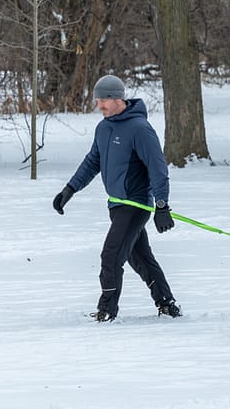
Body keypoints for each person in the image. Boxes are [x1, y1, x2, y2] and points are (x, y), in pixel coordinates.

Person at [52, 75, 181, 322]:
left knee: (111, 255)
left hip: (135, 204)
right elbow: (93, 161)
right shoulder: (104, 127)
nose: (99, 105)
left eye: (102, 100)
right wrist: (70, 189)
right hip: (116, 204)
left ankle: (107, 309)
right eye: (98, 100)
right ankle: (167, 303)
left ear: (117, 99)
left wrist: (162, 205)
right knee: (139, 256)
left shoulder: (140, 129)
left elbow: (158, 169)